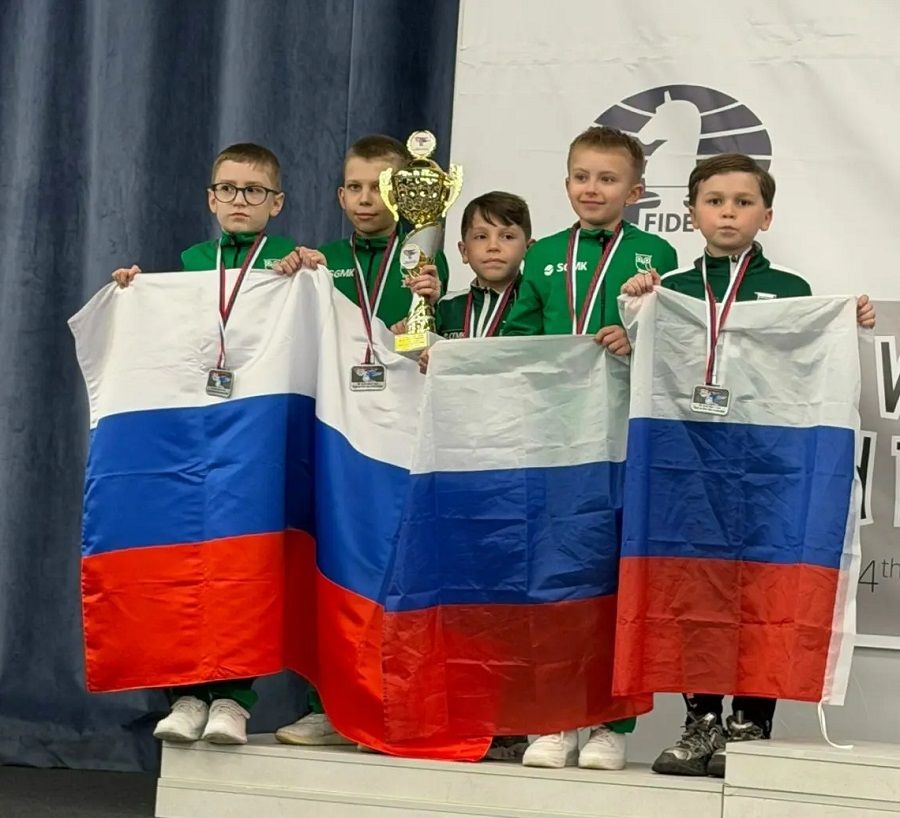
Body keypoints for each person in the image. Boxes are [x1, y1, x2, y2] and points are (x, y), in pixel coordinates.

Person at [620, 152, 875, 778]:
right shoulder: (671, 289)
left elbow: (810, 366)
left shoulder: (790, 290)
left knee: (766, 584)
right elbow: (642, 357)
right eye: (714, 201)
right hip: (689, 464)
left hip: (769, 465)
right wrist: (634, 305)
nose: (728, 212)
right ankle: (701, 720)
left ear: (767, 216)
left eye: (742, 202)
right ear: (691, 213)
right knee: (694, 584)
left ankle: (750, 724)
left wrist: (850, 322)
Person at [502, 125, 679, 770]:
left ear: (635, 192)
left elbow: (680, 338)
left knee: (618, 579)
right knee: (553, 576)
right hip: (555, 440)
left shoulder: (656, 252)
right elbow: (516, 340)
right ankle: (554, 717)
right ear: (566, 182)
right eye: (582, 177)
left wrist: (639, 336)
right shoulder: (542, 255)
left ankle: (611, 723)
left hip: (626, 440)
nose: (592, 188)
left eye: (608, 179)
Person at [110, 142, 299, 745]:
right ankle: (187, 694)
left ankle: (234, 699)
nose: (240, 199)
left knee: (244, 565)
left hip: (256, 436)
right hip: (192, 436)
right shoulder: (192, 262)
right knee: (184, 559)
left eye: (254, 190)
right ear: (211, 198)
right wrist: (135, 291)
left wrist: (311, 274)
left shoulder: (289, 265)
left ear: (276, 203)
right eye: (228, 189)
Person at [274, 134, 449, 748]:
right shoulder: (320, 259)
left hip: (402, 439)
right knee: (333, 560)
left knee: (395, 564)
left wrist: (429, 316)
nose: (366, 198)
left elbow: (436, 345)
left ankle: (396, 703)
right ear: (339, 195)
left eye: (380, 186)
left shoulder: (426, 259)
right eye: (355, 186)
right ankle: (329, 705)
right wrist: (288, 274)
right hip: (337, 434)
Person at [416, 190, 532, 375]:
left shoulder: (533, 304)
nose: (493, 246)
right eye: (481, 237)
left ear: (528, 248)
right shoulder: (447, 305)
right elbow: (427, 362)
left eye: (507, 236)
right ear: (464, 251)